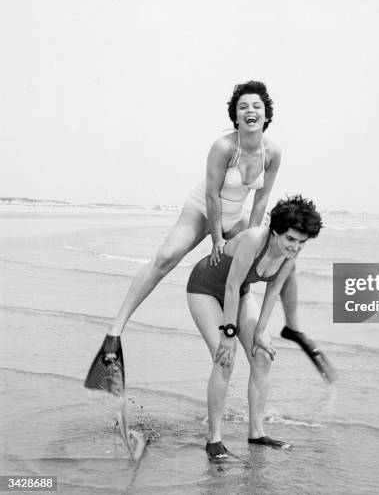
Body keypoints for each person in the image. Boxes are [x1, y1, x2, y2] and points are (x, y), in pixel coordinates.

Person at [86, 81, 300, 391]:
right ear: (235, 117)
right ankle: (115, 330)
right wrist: (217, 239)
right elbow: (213, 196)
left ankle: (288, 325)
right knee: (166, 258)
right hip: (203, 209)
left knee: (275, 258)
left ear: (266, 114)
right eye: (243, 107)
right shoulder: (224, 147)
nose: (250, 111)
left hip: (236, 215)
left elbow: (262, 200)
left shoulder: (273, 153)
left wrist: (254, 240)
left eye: (256, 106)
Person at [186, 195, 323, 461]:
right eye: (291, 239)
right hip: (205, 289)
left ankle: (257, 433)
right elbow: (231, 285)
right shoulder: (253, 239)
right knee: (224, 357)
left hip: (239, 293)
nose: (295, 247)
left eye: (302, 242)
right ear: (275, 231)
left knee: (261, 355)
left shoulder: (291, 253)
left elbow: (273, 289)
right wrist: (228, 335)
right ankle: (214, 439)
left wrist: (260, 331)